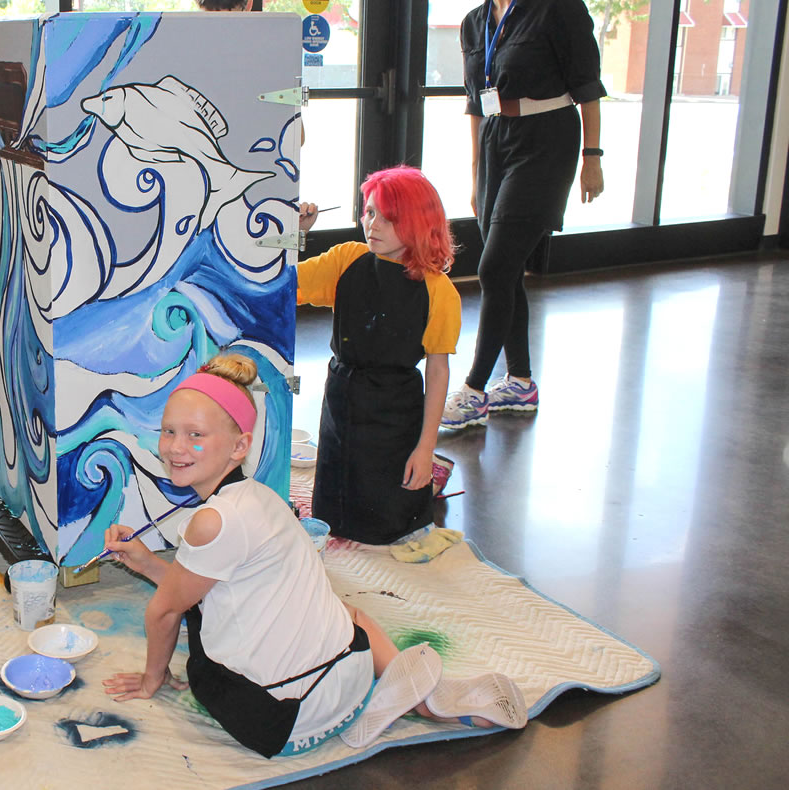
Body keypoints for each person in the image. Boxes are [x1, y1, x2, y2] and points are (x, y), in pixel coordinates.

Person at [99, 354, 526, 756]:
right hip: (350, 673)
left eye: (195, 435)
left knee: (200, 647)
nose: (175, 446)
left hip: (285, 719)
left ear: (238, 446)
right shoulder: (261, 497)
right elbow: (193, 582)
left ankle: (410, 698)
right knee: (343, 611)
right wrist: (147, 562)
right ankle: (414, 693)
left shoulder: (211, 521)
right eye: (169, 431)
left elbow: (165, 610)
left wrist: (154, 676)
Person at [442, 0, 605, 429]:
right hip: (496, 142)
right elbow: (476, 100)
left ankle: (475, 391)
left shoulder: (558, 9)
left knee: (494, 269)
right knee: (508, 271)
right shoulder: (474, 23)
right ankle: (520, 381)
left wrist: (593, 156)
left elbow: (587, 85)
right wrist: (477, 169)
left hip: (547, 140)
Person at [296, 166, 460, 547]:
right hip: (341, 394)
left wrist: (425, 448)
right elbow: (283, 285)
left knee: (389, 527)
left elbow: (438, 371)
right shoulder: (347, 259)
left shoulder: (438, 289)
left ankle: (431, 475)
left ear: (419, 222)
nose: (373, 225)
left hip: (394, 410)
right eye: (369, 213)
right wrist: (298, 234)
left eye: (388, 218)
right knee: (332, 514)